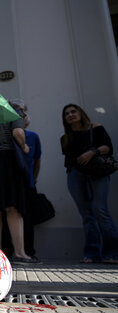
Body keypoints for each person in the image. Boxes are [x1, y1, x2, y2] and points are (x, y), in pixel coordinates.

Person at [0, 100, 38, 264]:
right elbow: (18, 133)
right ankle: (20, 253)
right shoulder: (15, 112)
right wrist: (24, 147)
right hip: (6, 160)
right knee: (13, 208)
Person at [60, 103, 118, 264]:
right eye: (67, 114)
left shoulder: (96, 127)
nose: (70, 115)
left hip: (97, 173)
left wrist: (92, 152)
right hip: (75, 175)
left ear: (81, 113)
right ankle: (92, 253)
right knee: (86, 214)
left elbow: (108, 147)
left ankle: (113, 253)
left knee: (100, 210)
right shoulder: (65, 137)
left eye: (73, 111)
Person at [1, 101, 42, 261]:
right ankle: (8, 250)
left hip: (27, 181)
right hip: (11, 180)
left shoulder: (32, 137)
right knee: (9, 215)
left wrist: (34, 178)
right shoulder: (6, 136)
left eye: (22, 114)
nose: (20, 116)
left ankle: (28, 251)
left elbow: (37, 160)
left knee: (27, 219)